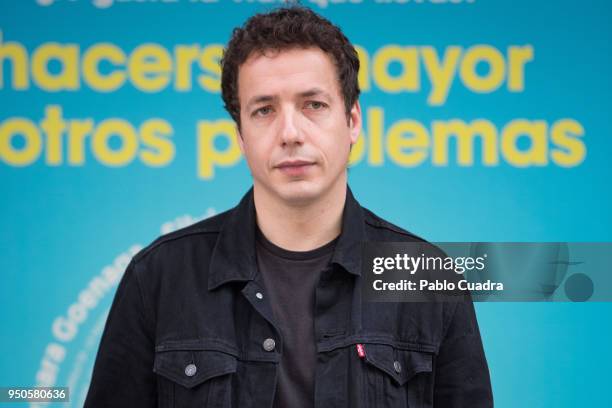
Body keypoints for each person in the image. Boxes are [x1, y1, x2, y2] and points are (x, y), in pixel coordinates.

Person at [84, 5, 493, 408]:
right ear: (241, 136)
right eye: (264, 110)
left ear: (352, 121)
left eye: (313, 104)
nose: (290, 132)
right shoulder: (158, 276)